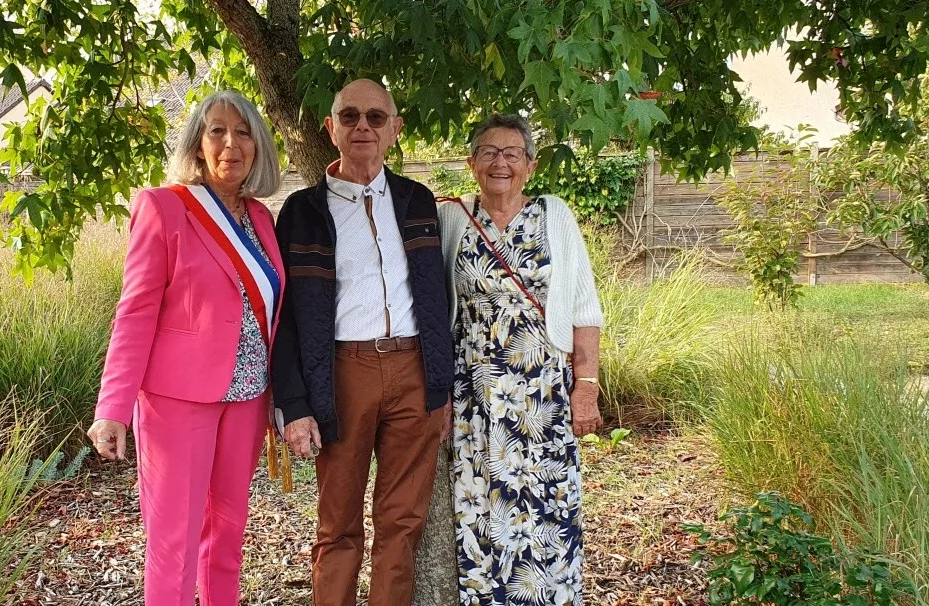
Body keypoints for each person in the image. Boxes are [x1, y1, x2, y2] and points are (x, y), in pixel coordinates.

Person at [85, 90, 284, 606]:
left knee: (228, 533)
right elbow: (135, 312)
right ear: (198, 143)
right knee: (174, 542)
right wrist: (113, 410)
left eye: (243, 133)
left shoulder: (262, 218)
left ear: (257, 147)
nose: (230, 144)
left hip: (246, 397)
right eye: (217, 131)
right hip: (176, 402)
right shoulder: (163, 206)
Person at [271, 78, 454, 606]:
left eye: (376, 117)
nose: (363, 127)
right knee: (339, 526)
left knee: (402, 524)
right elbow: (283, 318)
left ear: (395, 130)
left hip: (414, 372)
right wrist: (295, 403)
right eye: (349, 117)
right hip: (343, 374)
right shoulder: (303, 212)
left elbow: (437, 298)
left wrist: (439, 388)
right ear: (330, 129)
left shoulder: (419, 201)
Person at [437, 113, 604, 605]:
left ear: (530, 165)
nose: (500, 162)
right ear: (470, 163)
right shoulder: (453, 219)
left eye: (512, 153)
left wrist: (586, 387)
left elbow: (583, 307)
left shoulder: (555, 215)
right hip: (475, 395)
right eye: (489, 152)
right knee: (482, 510)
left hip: (543, 393)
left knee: (547, 508)